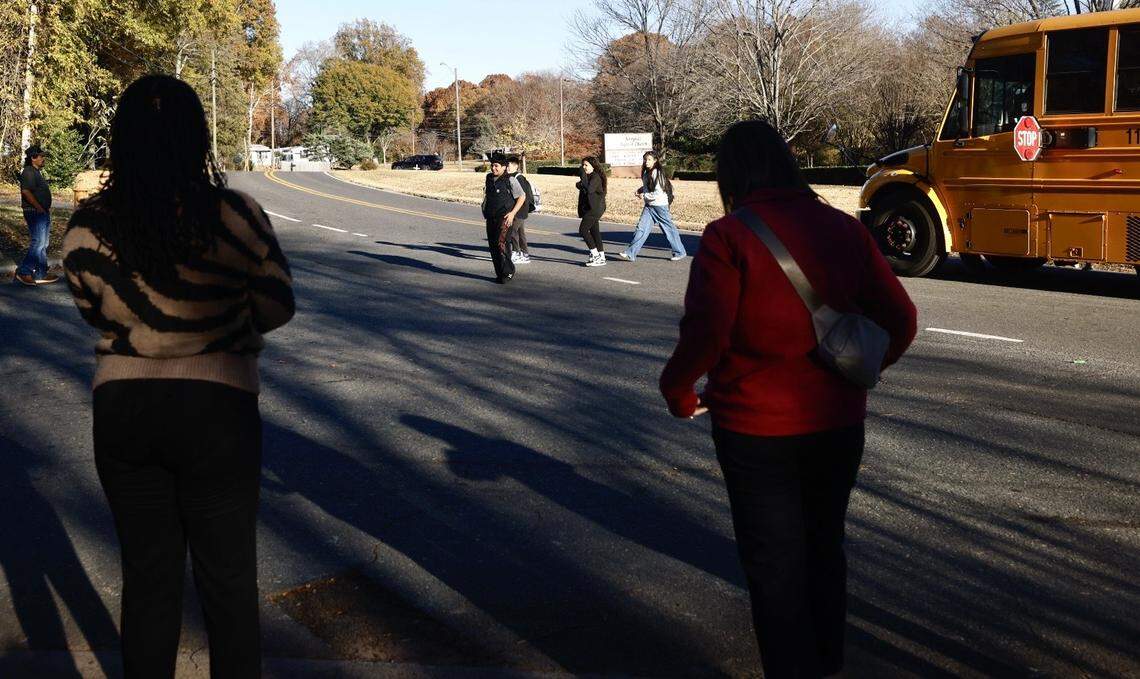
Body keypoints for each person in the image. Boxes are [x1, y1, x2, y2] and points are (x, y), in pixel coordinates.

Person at [659, 120, 917, 679]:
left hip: (754, 429)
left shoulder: (729, 236)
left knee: (774, 562)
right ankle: (827, 665)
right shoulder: (845, 230)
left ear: (733, 173)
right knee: (824, 546)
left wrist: (678, 391)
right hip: (837, 421)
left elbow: (707, 333)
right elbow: (902, 319)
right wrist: (862, 370)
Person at [61, 75, 294, 679]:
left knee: (148, 580)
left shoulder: (88, 224)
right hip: (217, 405)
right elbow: (277, 305)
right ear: (197, 138)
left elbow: (91, 307)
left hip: (124, 407)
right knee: (228, 581)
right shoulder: (235, 213)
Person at [617, 150, 686, 262]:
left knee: (668, 230)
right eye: (645, 159)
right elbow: (648, 186)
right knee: (641, 229)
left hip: (660, 206)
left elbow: (658, 192)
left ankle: (680, 252)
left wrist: (644, 195)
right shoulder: (647, 173)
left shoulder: (657, 173)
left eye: (649, 159)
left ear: (655, 161)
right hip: (649, 206)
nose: (646, 162)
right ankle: (631, 253)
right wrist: (640, 190)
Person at [15, 144, 59, 286]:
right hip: (35, 212)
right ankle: (24, 271)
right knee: (38, 242)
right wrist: (39, 207)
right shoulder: (28, 172)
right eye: (41, 156)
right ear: (33, 158)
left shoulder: (36, 172)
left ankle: (40, 273)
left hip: (42, 212)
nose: (43, 158)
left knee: (43, 243)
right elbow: (26, 191)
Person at [481, 153, 526, 283]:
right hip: (491, 217)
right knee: (493, 245)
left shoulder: (510, 180)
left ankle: (508, 271)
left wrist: (512, 213)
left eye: (496, 166)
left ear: (504, 167)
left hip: (505, 217)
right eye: (492, 165)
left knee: (502, 244)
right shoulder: (489, 178)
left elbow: (521, 197)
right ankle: (500, 273)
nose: (493, 168)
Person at [576, 156, 607, 266]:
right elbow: (579, 185)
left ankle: (595, 255)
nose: (584, 167)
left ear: (593, 166)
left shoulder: (595, 177)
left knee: (583, 230)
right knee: (595, 232)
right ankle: (601, 256)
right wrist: (581, 182)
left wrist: (582, 177)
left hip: (595, 209)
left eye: (586, 165)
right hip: (591, 208)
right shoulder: (589, 177)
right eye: (583, 165)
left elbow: (589, 189)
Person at [506, 155, 533, 265]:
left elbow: (523, 196)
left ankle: (516, 252)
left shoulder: (519, 178)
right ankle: (525, 255)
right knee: (520, 233)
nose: (506, 167)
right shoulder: (513, 177)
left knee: (511, 231)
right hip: (518, 210)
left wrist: (515, 211)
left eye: (508, 165)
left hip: (520, 210)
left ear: (515, 166)